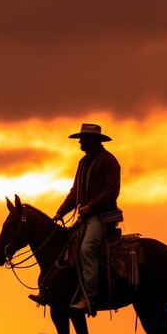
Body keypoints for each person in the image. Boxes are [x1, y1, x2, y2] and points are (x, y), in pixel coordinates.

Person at [46, 123, 121, 314]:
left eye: (83, 139)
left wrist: (90, 207)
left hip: (102, 217)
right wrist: (60, 212)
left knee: (87, 249)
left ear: (93, 141)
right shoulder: (83, 162)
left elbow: (111, 191)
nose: (80, 142)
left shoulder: (109, 161)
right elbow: (75, 192)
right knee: (65, 248)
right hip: (87, 216)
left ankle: (90, 297)